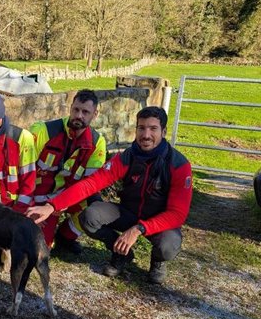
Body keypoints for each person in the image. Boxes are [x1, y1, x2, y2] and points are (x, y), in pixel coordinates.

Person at [27, 106, 192, 284]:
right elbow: (91, 183)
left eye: (153, 129)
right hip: (128, 213)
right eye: (141, 128)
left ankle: (158, 261)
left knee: (168, 246)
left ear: (164, 131)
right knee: (89, 216)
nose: (146, 135)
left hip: (158, 221)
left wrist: (139, 229)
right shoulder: (127, 157)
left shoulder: (179, 165)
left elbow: (177, 214)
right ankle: (121, 253)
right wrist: (52, 206)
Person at [29, 89, 107, 253]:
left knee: (93, 210)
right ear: (70, 108)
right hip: (37, 196)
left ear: (95, 114)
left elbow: (90, 184)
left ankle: (65, 237)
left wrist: (59, 204)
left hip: (69, 195)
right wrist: (27, 205)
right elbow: (21, 173)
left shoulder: (97, 143)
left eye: (85, 112)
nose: (79, 115)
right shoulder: (43, 131)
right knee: (39, 249)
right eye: (76, 110)